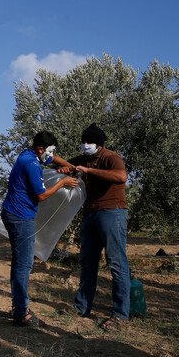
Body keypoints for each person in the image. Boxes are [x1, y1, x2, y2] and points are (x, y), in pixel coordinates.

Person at [1, 131, 78, 327]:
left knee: (19, 262)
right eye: (49, 151)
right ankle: (22, 312)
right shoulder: (32, 164)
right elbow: (41, 196)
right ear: (41, 149)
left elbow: (52, 158)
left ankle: (18, 307)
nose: (51, 156)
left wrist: (65, 165)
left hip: (12, 213)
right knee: (24, 264)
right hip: (20, 217)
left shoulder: (27, 154)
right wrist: (63, 182)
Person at [59, 123, 130, 330]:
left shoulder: (110, 157)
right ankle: (81, 307)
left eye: (89, 142)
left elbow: (121, 176)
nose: (85, 145)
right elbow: (63, 164)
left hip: (112, 212)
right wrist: (64, 167)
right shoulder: (83, 159)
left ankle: (120, 314)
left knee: (116, 263)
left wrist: (89, 170)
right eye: (83, 141)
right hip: (90, 214)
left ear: (99, 143)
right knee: (88, 262)